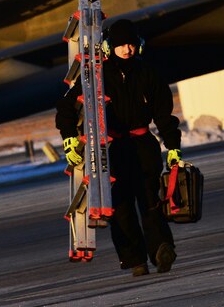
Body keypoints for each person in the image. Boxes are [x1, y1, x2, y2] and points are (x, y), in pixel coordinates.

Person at [56, 18, 182, 276]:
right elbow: (66, 108)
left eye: (131, 44)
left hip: (143, 146)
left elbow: (164, 116)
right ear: (108, 46)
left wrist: (173, 148)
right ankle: (135, 260)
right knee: (120, 208)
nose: (127, 49)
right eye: (121, 45)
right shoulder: (95, 76)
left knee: (150, 201)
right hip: (109, 150)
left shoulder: (148, 74)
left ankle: (161, 249)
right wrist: (69, 137)